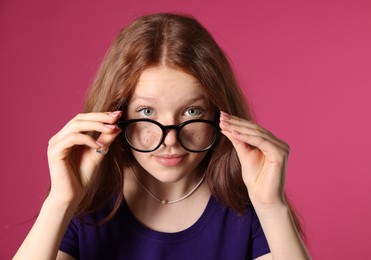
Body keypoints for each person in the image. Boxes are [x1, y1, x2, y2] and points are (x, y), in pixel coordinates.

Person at [14, 13, 310, 260]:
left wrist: (272, 206)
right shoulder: (87, 205)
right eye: (146, 112)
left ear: (220, 114)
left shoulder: (247, 208)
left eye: (192, 112)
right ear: (116, 114)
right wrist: (59, 202)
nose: (170, 140)